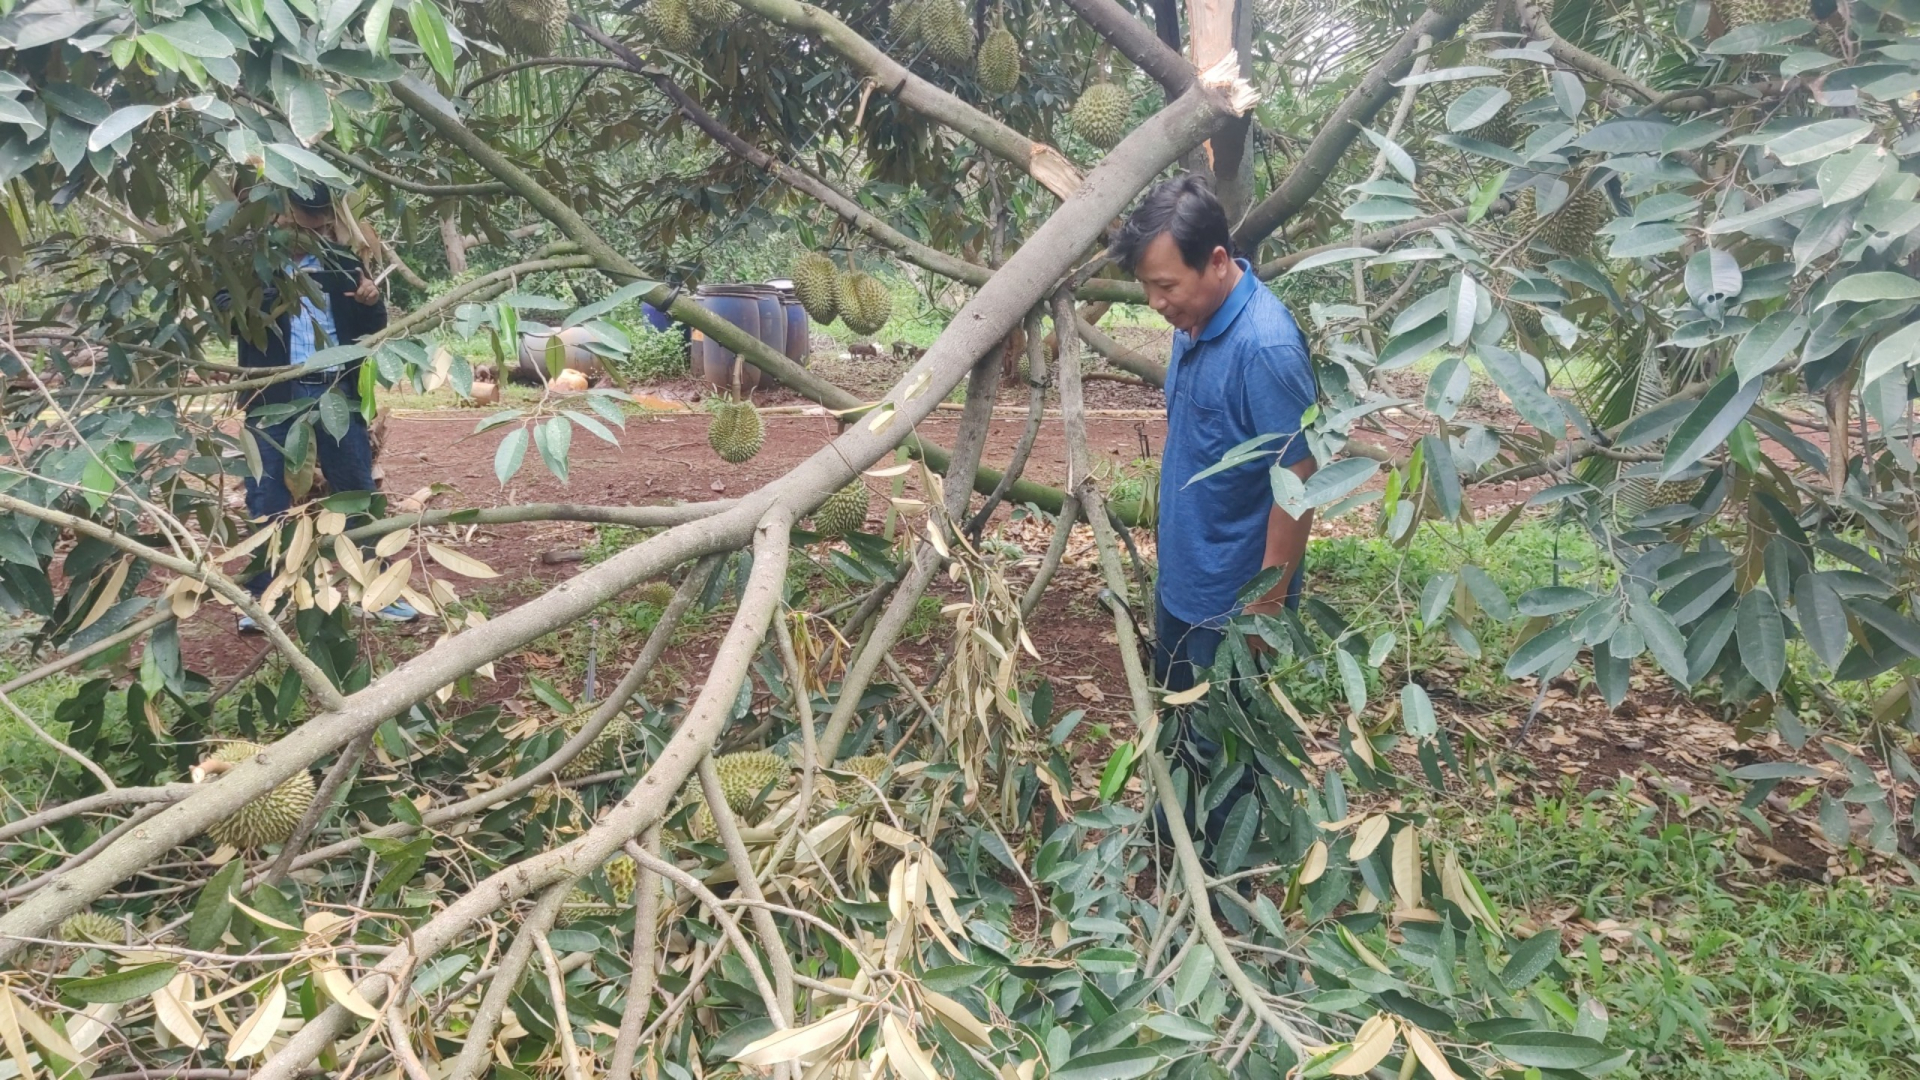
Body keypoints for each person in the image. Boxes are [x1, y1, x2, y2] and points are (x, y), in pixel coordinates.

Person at [1111, 173, 1319, 851]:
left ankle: (1223, 894)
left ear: (1219, 263)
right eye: (1148, 287)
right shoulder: (1193, 320)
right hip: (1184, 581)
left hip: (1233, 599)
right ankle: (1171, 854)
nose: (1156, 303)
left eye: (1166, 286)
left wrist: (1263, 612)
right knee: (1175, 732)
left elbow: (1298, 478)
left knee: (1225, 751)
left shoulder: (1266, 347)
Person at [221, 183, 418, 632]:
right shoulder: (251, 263)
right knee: (265, 495)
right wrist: (279, 295)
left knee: (356, 490)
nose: (316, 229)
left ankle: (376, 591)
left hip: (335, 392)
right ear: (281, 216)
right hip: (271, 396)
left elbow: (370, 325)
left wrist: (371, 302)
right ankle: (263, 599)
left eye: (323, 221)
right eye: (306, 221)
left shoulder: (341, 262)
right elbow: (227, 311)